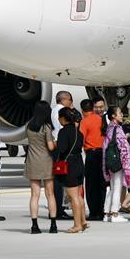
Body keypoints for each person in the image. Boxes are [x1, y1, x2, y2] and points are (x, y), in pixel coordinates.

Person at [24, 100, 57, 234]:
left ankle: (34, 225)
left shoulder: (28, 126)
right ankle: (53, 225)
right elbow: (50, 146)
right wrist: (56, 143)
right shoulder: (46, 127)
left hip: (32, 161)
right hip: (46, 162)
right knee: (50, 194)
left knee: (34, 195)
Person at [56, 107, 86, 233]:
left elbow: (62, 149)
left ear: (63, 118)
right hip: (79, 162)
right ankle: (83, 220)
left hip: (70, 165)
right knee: (79, 195)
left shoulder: (63, 132)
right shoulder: (78, 132)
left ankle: (77, 224)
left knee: (73, 196)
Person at [102, 106, 130, 223]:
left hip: (110, 161)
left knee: (112, 187)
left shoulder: (109, 128)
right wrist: (126, 162)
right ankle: (115, 213)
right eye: (119, 113)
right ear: (113, 116)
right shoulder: (118, 129)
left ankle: (107, 213)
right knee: (117, 187)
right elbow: (124, 147)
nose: (121, 114)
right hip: (117, 162)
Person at [80, 97, 107, 221]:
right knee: (101, 184)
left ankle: (93, 212)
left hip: (91, 154)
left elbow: (81, 139)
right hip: (102, 153)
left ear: (82, 109)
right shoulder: (101, 120)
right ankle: (101, 211)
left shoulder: (84, 121)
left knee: (91, 185)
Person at [51, 90, 74, 220]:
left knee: (57, 180)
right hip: (60, 148)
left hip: (55, 148)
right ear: (64, 100)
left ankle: (56, 208)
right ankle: (59, 209)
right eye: (70, 100)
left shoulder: (53, 110)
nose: (71, 103)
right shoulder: (62, 112)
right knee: (60, 180)